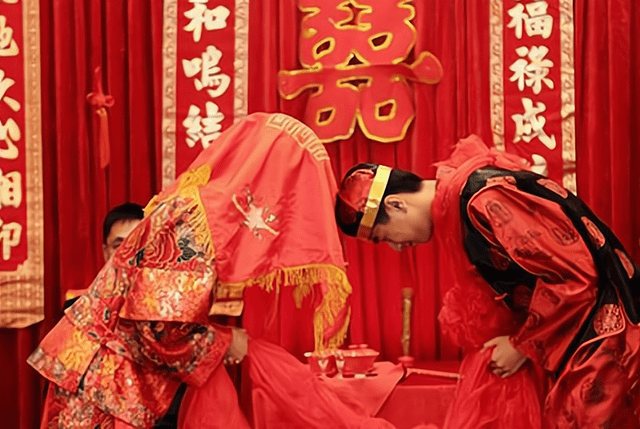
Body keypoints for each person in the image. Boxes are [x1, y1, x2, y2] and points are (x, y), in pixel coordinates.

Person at [28, 113, 354, 429]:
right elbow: (157, 328)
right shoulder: (197, 223)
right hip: (99, 381)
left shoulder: (203, 210)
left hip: (110, 378)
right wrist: (226, 342)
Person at [334, 135, 640, 429]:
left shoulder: (481, 200)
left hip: (605, 337)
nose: (397, 247)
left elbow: (572, 274)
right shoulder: (461, 200)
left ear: (395, 205)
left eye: (383, 237)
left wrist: (522, 345)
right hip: (580, 335)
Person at [64, 202, 144, 305]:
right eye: (119, 246)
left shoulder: (163, 307)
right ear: (106, 253)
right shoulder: (77, 307)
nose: (127, 254)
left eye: (136, 244)